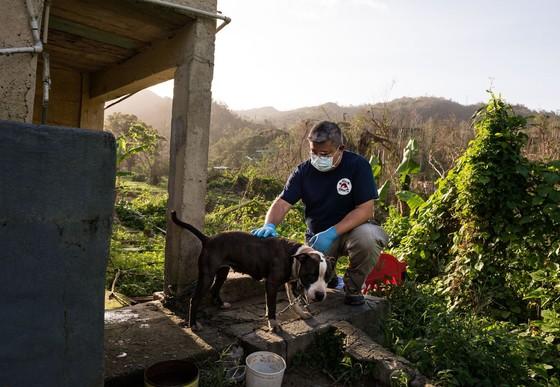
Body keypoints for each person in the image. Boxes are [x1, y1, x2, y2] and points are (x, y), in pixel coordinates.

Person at [252, 120, 388, 305]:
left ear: (340, 148)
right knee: (310, 263)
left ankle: (353, 288)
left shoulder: (358, 166)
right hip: (319, 238)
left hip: (353, 231)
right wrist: (269, 224)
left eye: (324, 154)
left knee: (368, 238)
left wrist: (333, 232)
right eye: (313, 152)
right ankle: (328, 278)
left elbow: (365, 210)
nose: (317, 158)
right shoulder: (303, 172)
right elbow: (282, 202)